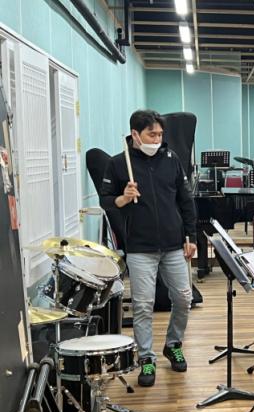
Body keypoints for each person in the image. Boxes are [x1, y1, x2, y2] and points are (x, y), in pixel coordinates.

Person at [100, 110, 197, 387]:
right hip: (140, 247)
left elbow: (185, 199)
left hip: (174, 243)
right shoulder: (119, 163)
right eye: (151, 134)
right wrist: (123, 198)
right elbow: (106, 200)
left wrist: (190, 235)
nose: (157, 139)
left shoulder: (171, 159)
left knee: (184, 298)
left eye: (160, 134)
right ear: (135, 134)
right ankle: (146, 357)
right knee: (143, 306)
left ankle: (173, 343)